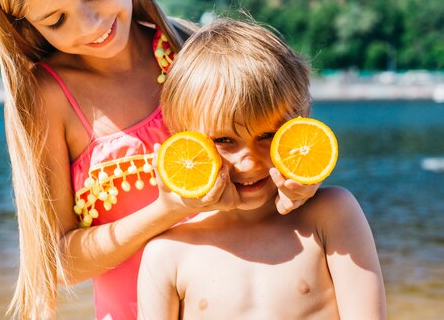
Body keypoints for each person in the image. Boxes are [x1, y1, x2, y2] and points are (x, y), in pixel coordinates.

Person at [0, 0, 322, 318]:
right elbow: (59, 261)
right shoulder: (49, 98)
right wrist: (167, 210)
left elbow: (281, 153)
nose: (88, 24)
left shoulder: (192, 50)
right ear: (26, 27)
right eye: (56, 19)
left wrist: (298, 188)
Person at [137, 18, 386, 319]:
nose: (249, 161)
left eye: (267, 136)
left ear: (299, 126)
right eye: (225, 140)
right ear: (185, 144)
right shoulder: (166, 254)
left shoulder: (332, 215)